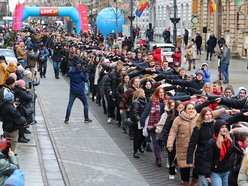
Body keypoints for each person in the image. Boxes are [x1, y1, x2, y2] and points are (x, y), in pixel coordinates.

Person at [167, 103, 198, 186]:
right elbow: (173, 132)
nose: (191, 110)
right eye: (189, 109)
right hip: (183, 147)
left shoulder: (198, 117)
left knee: (197, 167)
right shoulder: (178, 119)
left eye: (192, 108)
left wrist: (224, 110)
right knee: (185, 167)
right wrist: (170, 144)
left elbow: (211, 114)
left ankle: (194, 183)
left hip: (196, 147)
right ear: (185, 109)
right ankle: (186, 183)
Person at [204, 120, 232, 186]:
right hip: (215, 172)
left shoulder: (230, 140)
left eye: (226, 127)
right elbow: (208, 159)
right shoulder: (212, 142)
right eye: (222, 127)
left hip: (227, 171)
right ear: (218, 128)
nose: (224, 129)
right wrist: (207, 174)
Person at [130, 88, 146, 159]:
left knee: (143, 136)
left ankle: (139, 146)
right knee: (137, 137)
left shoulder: (143, 101)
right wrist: (139, 121)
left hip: (141, 122)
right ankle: (135, 151)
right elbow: (135, 113)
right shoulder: (136, 102)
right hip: (137, 123)